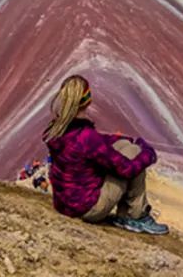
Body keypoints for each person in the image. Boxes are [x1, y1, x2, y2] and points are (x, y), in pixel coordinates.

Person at [42, 75, 168, 235]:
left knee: (124, 145)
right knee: (134, 153)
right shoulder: (87, 137)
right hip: (88, 208)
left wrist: (120, 139)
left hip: (64, 203)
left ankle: (130, 214)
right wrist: (148, 154)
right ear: (87, 100)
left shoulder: (56, 129)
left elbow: (96, 143)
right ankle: (136, 215)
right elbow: (127, 169)